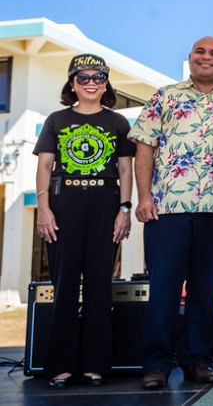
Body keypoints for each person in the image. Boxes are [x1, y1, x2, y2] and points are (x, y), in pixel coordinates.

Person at [131, 37, 213, 389]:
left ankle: (198, 360)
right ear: (190, 58)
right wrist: (143, 197)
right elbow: (144, 147)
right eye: (201, 51)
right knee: (164, 289)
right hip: (167, 209)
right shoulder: (164, 95)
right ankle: (157, 364)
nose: (207, 57)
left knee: (204, 290)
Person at [33, 54, 134, 388]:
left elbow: (124, 168)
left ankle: (94, 364)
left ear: (106, 83)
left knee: (98, 285)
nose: (91, 83)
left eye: (99, 78)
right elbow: (45, 166)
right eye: (84, 77)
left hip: (106, 203)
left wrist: (124, 209)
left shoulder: (118, 122)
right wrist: (43, 209)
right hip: (65, 203)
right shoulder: (56, 119)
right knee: (63, 286)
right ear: (71, 83)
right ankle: (59, 365)